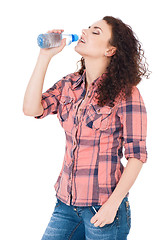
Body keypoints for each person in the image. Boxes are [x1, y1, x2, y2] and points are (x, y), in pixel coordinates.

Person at [23, 16, 150, 240]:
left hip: (102, 208)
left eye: (96, 31)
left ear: (110, 50)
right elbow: (31, 108)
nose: (85, 30)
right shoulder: (69, 85)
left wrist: (112, 205)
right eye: (89, 27)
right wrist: (45, 56)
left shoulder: (127, 94)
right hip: (65, 204)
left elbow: (136, 156)